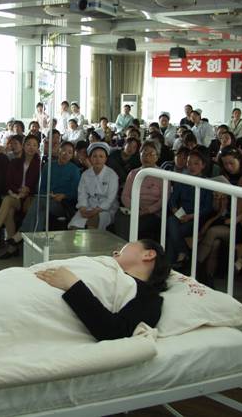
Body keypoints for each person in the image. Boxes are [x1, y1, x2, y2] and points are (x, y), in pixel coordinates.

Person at [35, 239, 169, 340]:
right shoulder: (104, 267)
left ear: (148, 254)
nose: (115, 252)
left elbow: (114, 331)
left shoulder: (148, 297)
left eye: (123, 249)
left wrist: (73, 285)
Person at [196, 146, 242, 285]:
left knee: (212, 232)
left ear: (240, 161)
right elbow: (217, 209)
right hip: (223, 218)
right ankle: (207, 279)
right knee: (215, 243)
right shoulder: (223, 179)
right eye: (225, 164)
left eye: (231, 163)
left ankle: (195, 268)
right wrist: (217, 198)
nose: (228, 167)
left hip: (241, 223)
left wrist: (235, 220)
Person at [5, 142, 81, 251]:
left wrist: (64, 195)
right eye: (64, 150)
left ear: (72, 155)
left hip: (63, 204)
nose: (66, 154)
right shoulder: (48, 166)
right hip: (46, 199)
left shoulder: (74, 170)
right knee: (40, 210)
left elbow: (75, 192)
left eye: (70, 152)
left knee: (39, 202)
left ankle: (21, 233)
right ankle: (36, 243)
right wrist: (48, 193)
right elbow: (40, 187)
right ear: (59, 150)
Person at [166, 149, 213, 265]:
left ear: (203, 165)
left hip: (196, 218)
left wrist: (191, 216)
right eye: (189, 163)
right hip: (181, 215)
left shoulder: (207, 183)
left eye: (196, 163)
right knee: (171, 221)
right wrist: (175, 210)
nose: (192, 166)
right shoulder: (183, 179)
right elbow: (173, 199)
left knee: (173, 233)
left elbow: (207, 208)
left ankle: (170, 263)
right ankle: (182, 254)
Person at [0, 135, 41, 258]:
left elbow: (39, 185)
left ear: (38, 148)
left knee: (8, 209)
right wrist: (16, 192)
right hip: (15, 196)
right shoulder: (14, 162)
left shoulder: (40, 164)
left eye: (34, 145)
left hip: (29, 198)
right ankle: (9, 244)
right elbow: (8, 182)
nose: (31, 147)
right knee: (8, 204)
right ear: (23, 146)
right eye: (28, 144)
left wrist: (28, 190)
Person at [116, 140, 164, 242]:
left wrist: (147, 210)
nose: (147, 157)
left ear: (157, 157)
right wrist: (135, 208)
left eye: (151, 154)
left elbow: (163, 200)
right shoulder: (133, 173)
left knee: (137, 224)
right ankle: (123, 247)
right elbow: (125, 196)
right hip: (133, 209)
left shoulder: (162, 175)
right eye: (144, 154)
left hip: (153, 213)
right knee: (120, 218)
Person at [68, 142, 119, 230]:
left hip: (106, 209)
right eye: (94, 156)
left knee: (91, 224)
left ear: (106, 159)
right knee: (74, 227)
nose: (98, 159)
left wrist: (96, 211)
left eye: (101, 156)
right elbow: (82, 194)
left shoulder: (112, 175)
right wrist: (83, 208)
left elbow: (110, 199)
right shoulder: (85, 174)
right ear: (90, 158)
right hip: (88, 206)